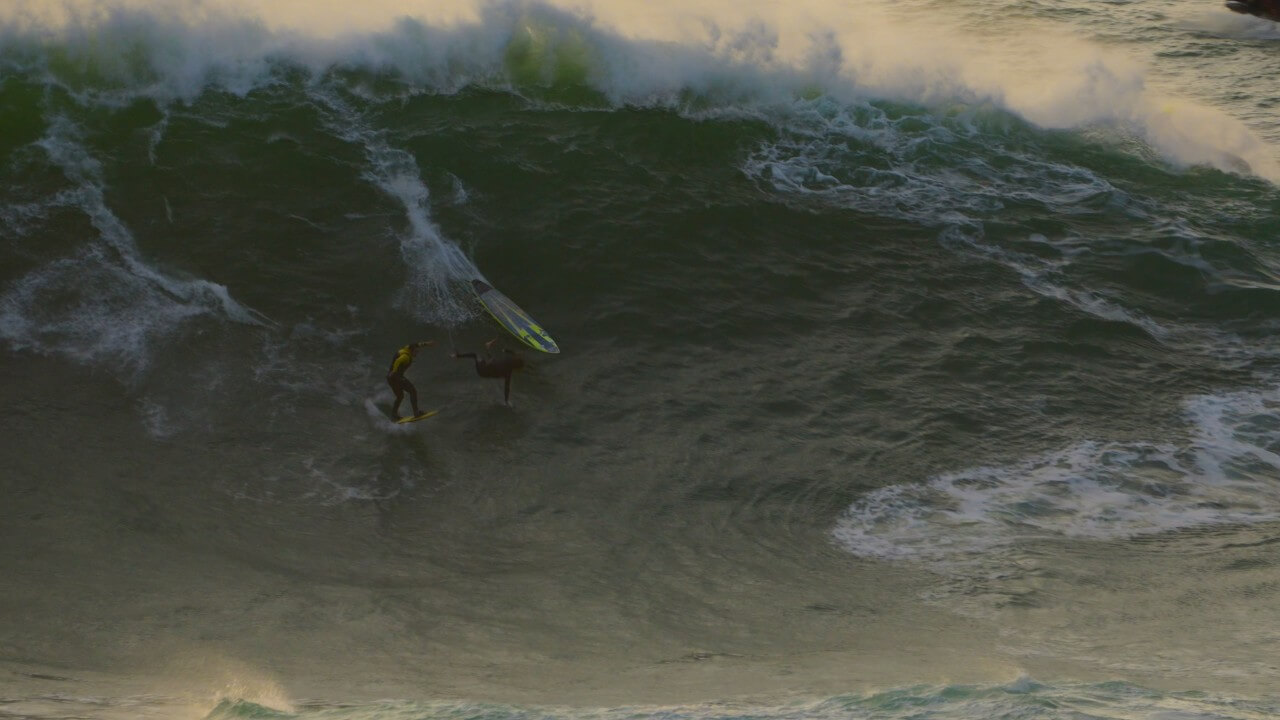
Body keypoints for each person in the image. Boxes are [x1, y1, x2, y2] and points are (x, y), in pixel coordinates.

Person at [451, 339, 525, 406]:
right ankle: (487, 347)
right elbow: (507, 388)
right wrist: (506, 401)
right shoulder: (508, 372)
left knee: (475, 354)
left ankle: (457, 356)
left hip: (482, 369)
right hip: (486, 372)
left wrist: (490, 354)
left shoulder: (505, 363)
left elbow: (493, 362)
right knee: (489, 359)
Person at [386, 340, 435, 419]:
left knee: (400, 396)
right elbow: (398, 361)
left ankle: (394, 415)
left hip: (390, 378)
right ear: (411, 351)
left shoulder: (407, 348)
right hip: (396, 377)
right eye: (416, 352)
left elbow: (416, 344)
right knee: (413, 391)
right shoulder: (406, 357)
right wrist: (394, 371)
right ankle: (416, 413)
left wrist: (427, 344)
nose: (417, 353)